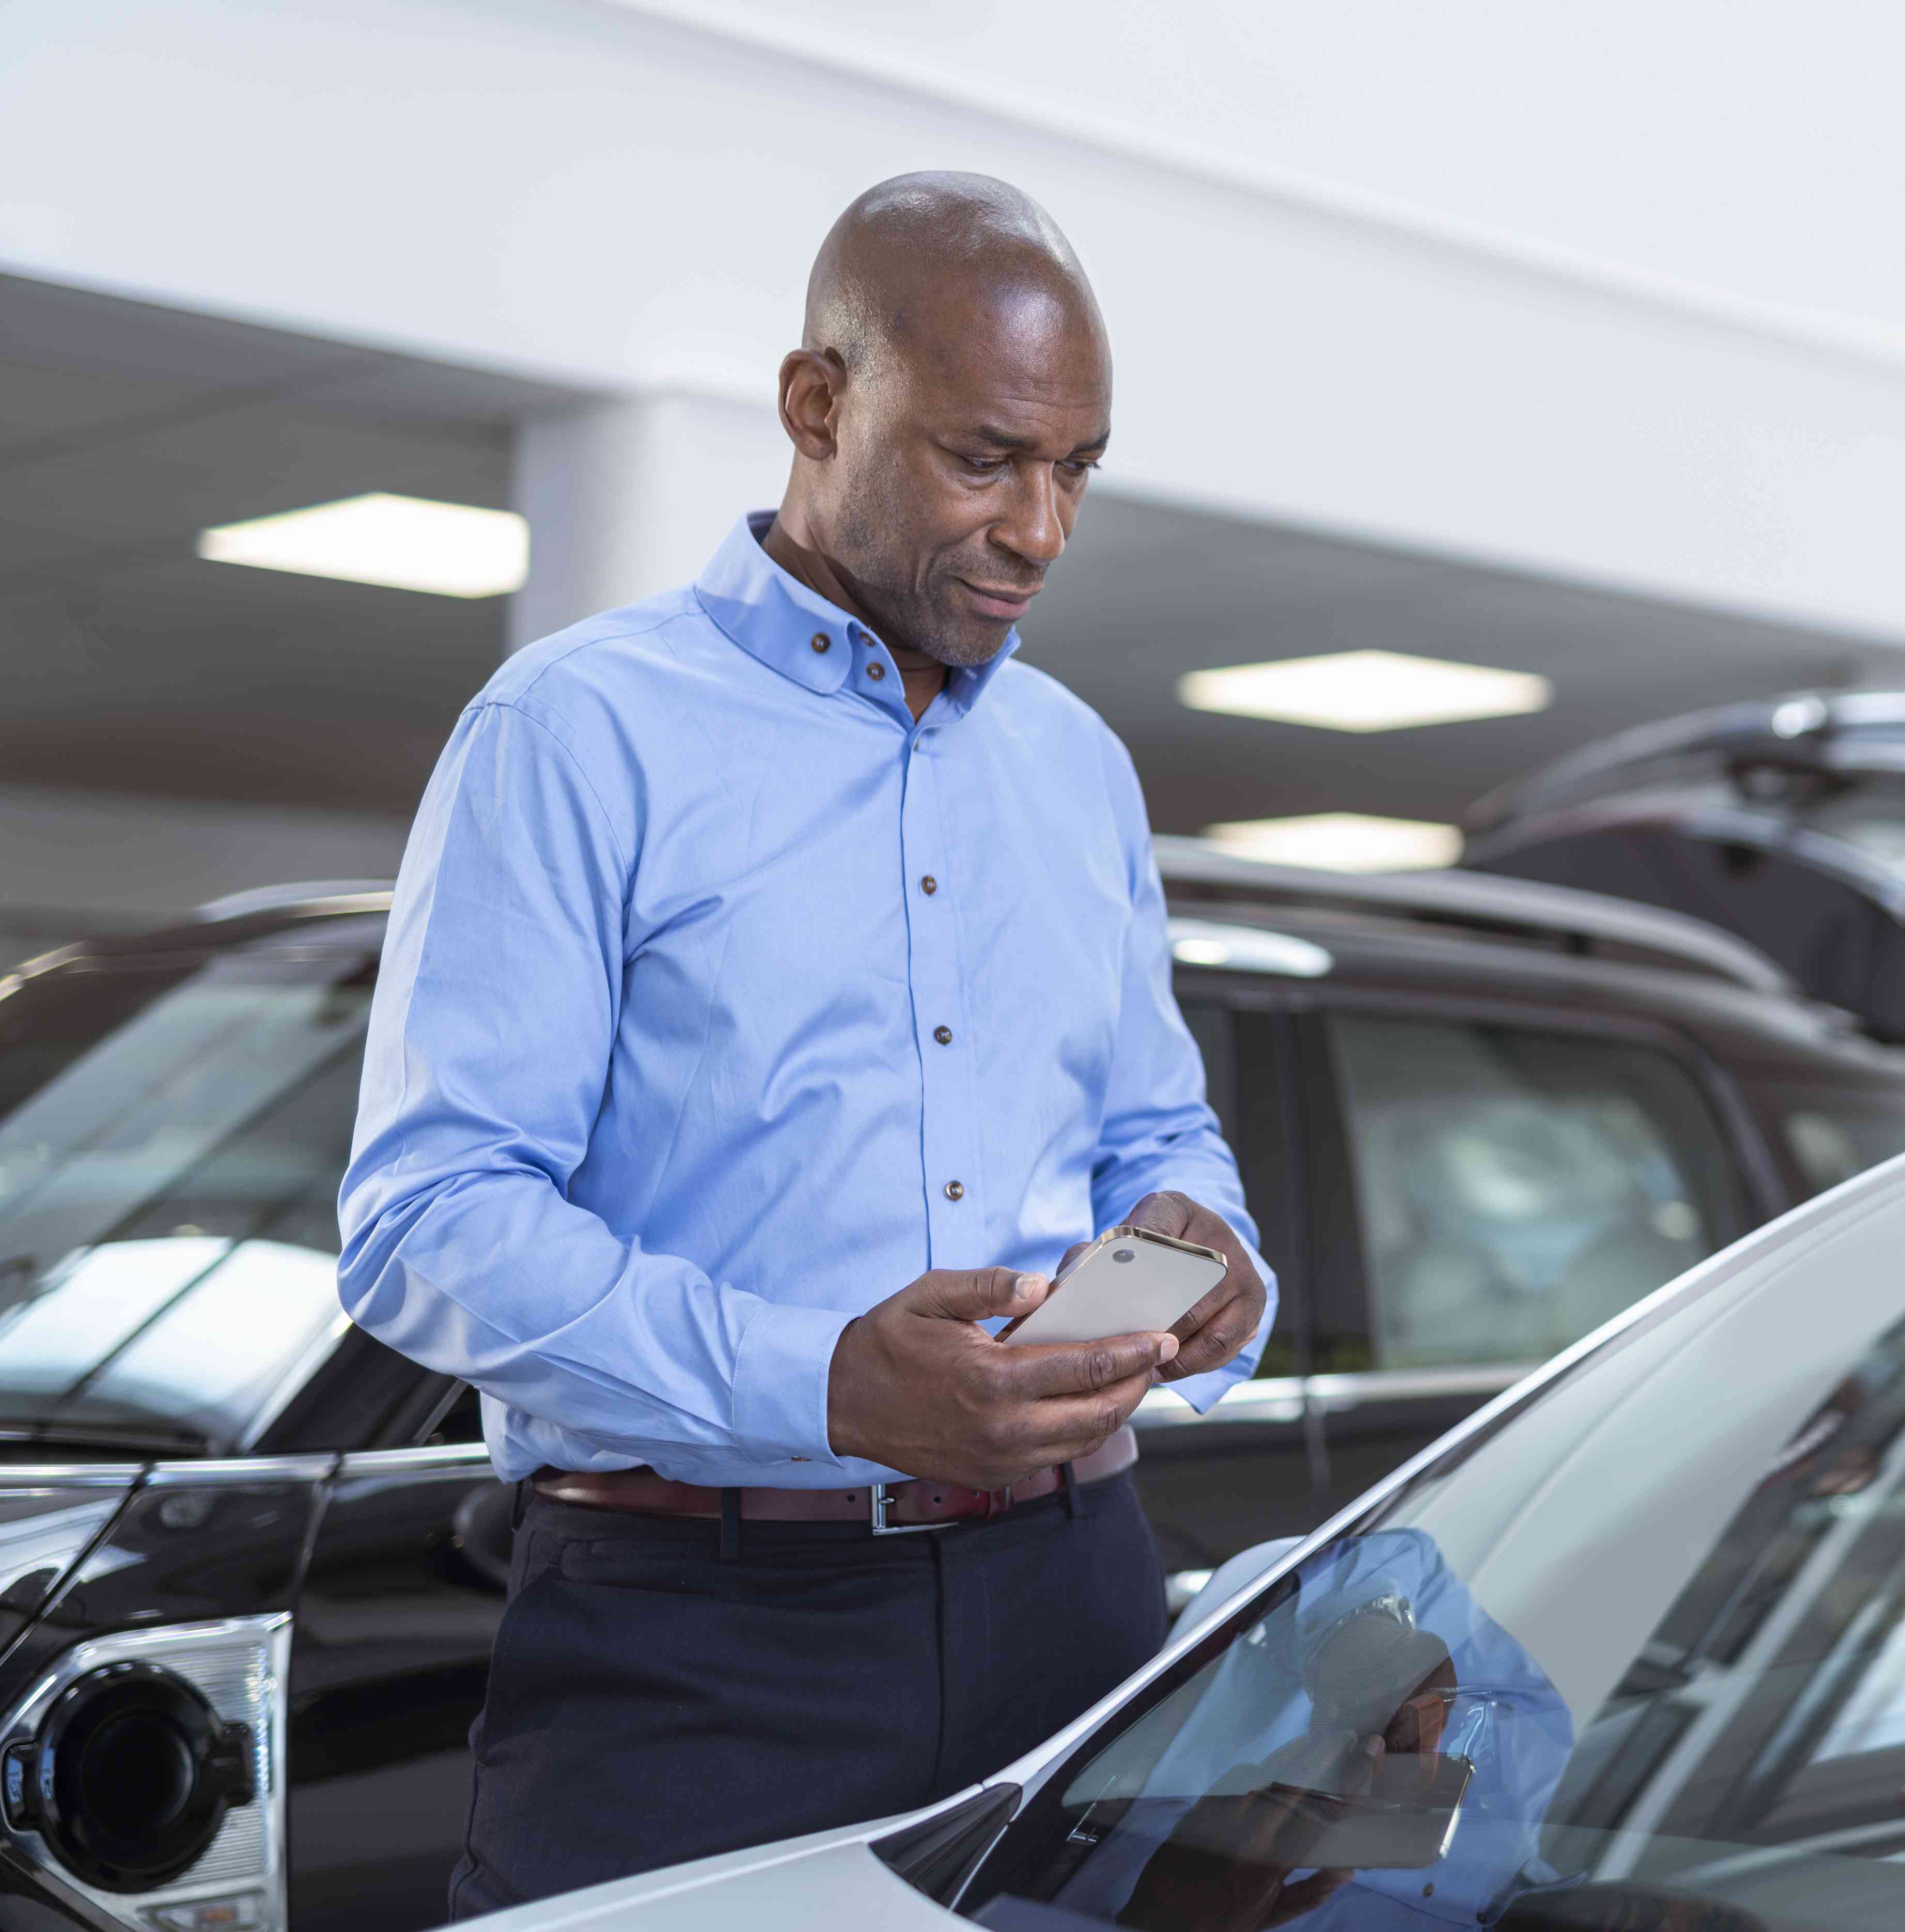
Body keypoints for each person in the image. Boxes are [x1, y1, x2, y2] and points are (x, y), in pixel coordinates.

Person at [336, 170, 1274, 1919]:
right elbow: (425, 1221)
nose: (1040, 530)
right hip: (697, 1643)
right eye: (984, 458)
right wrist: (829, 1381)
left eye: (1074, 470)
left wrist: (1207, 1250)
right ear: (816, 402)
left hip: (1076, 1605)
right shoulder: (576, 730)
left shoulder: (1078, 767)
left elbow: (1160, 1126)